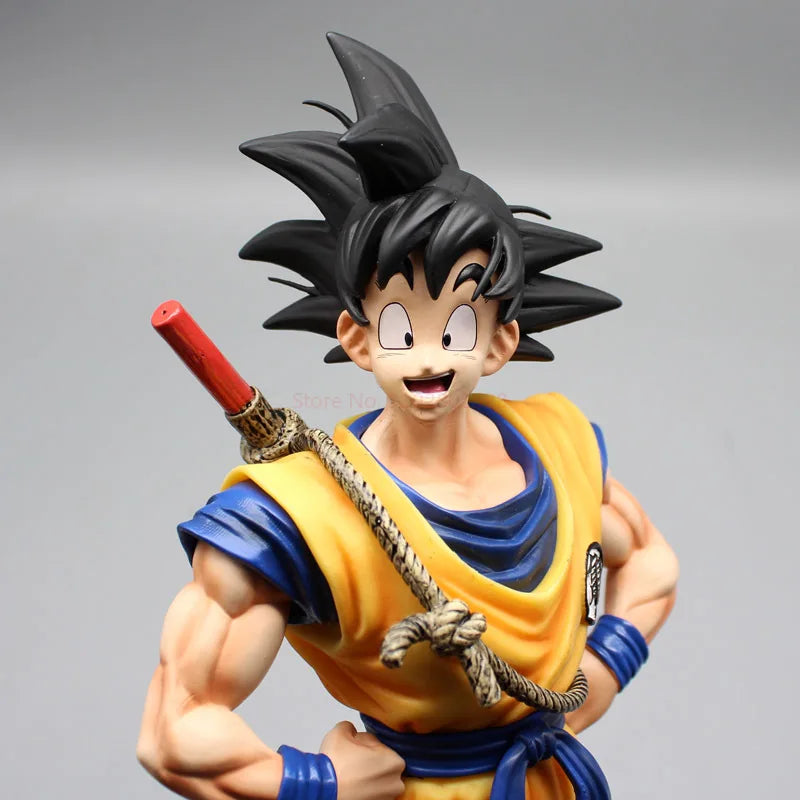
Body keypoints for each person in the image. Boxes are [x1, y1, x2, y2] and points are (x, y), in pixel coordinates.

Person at [137, 32, 678, 800]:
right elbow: (174, 731)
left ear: (500, 342)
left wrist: (600, 675)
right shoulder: (297, 517)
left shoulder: (558, 451)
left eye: (456, 328)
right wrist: (315, 783)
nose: (428, 355)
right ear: (357, 337)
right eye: (399, 327)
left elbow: (650, 566)